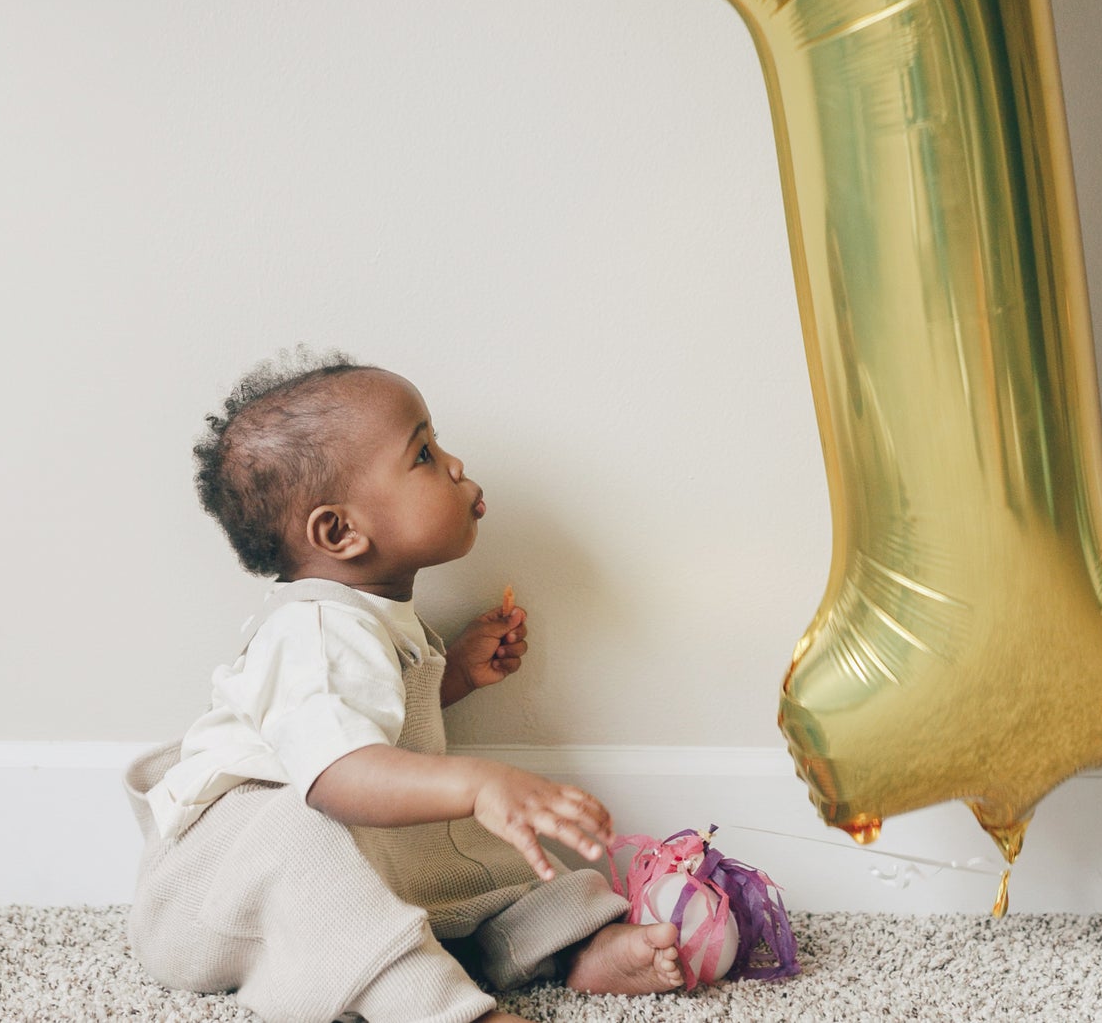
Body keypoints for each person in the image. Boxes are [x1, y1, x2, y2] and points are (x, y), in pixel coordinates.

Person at [123, 349, 683, 1022]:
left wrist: (453, 677)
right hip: (214, 895)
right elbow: (336, 771)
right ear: (339, 530)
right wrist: (478, 784)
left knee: (474, 851)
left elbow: (366, 719)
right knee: (320, 838)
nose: (453, 464)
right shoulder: (315, 629)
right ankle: (436, 1008)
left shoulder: (368, 619)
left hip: (322, 847)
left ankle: (571, 945)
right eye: (422, 453)